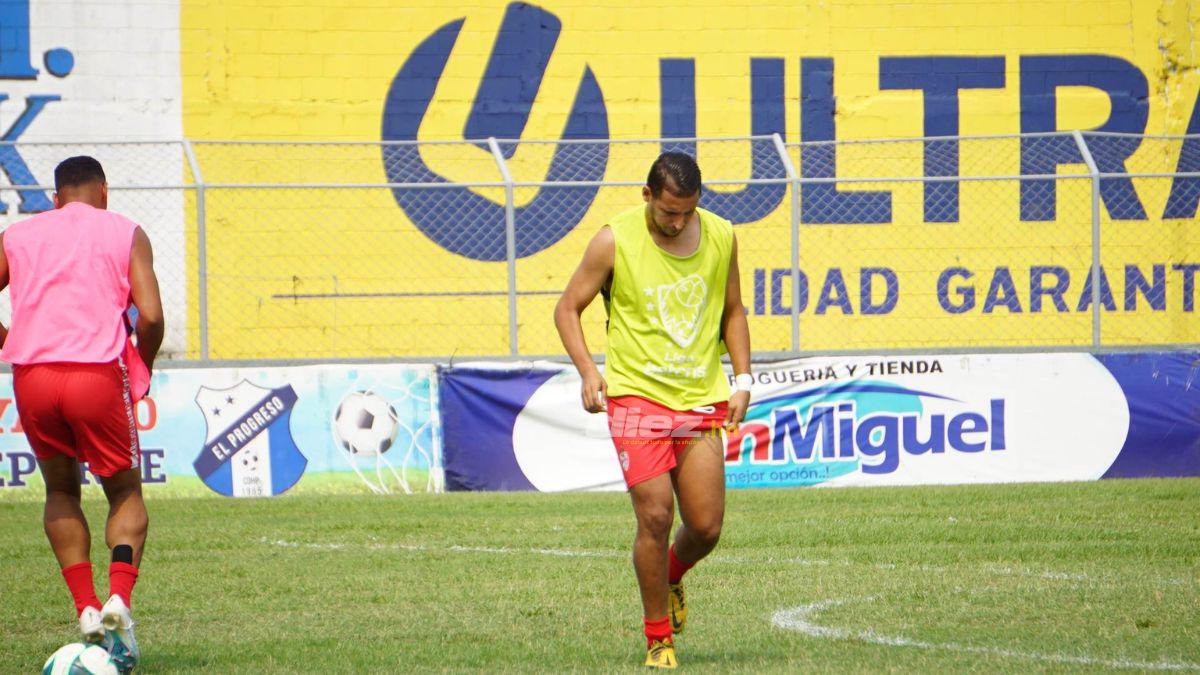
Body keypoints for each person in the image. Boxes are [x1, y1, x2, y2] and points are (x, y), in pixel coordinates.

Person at [555, 151, 752, 668]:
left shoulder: (722, 235)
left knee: (705, 527)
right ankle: (658, 637)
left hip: (699, 397)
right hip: (636, 397)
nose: (678, 222)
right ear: (647, 196)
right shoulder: (613, 240)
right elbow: (567, 308)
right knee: (656, 512)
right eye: (668, 212)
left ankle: (671, 576)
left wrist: (743, 380)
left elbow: (733, 311)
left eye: (688, 212)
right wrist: (589, 372)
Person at [0, 156, 163, 672]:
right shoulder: (125, 231)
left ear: (56, 198)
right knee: (125, 491)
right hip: (97, 373)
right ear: (104, 191)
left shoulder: (17, 235)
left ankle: (86, 607)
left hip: (33, 376)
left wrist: (10, 342)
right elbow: (151, 316)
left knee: (60, 490)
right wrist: (142, 363)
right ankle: (118, 600)